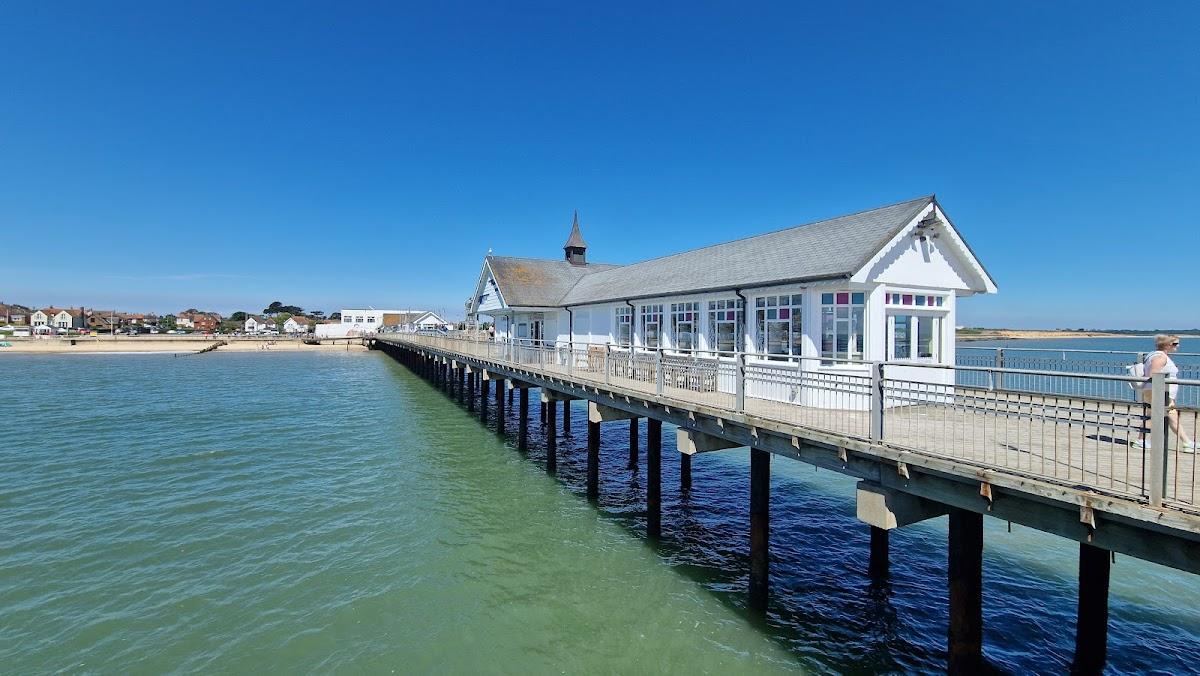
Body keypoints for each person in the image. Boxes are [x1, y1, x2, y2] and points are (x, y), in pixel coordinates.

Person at [1139, 334, 1196, 452]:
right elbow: (1153, 375)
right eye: (1175, 344)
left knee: (1154, 417)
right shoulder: (1160, 357)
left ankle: (1141, 440)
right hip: (1159, 393)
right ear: (1167, 345)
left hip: (1159, 392)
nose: (1177, 346)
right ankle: (1187, 443)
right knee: (1166, 416)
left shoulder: (1157, 355)